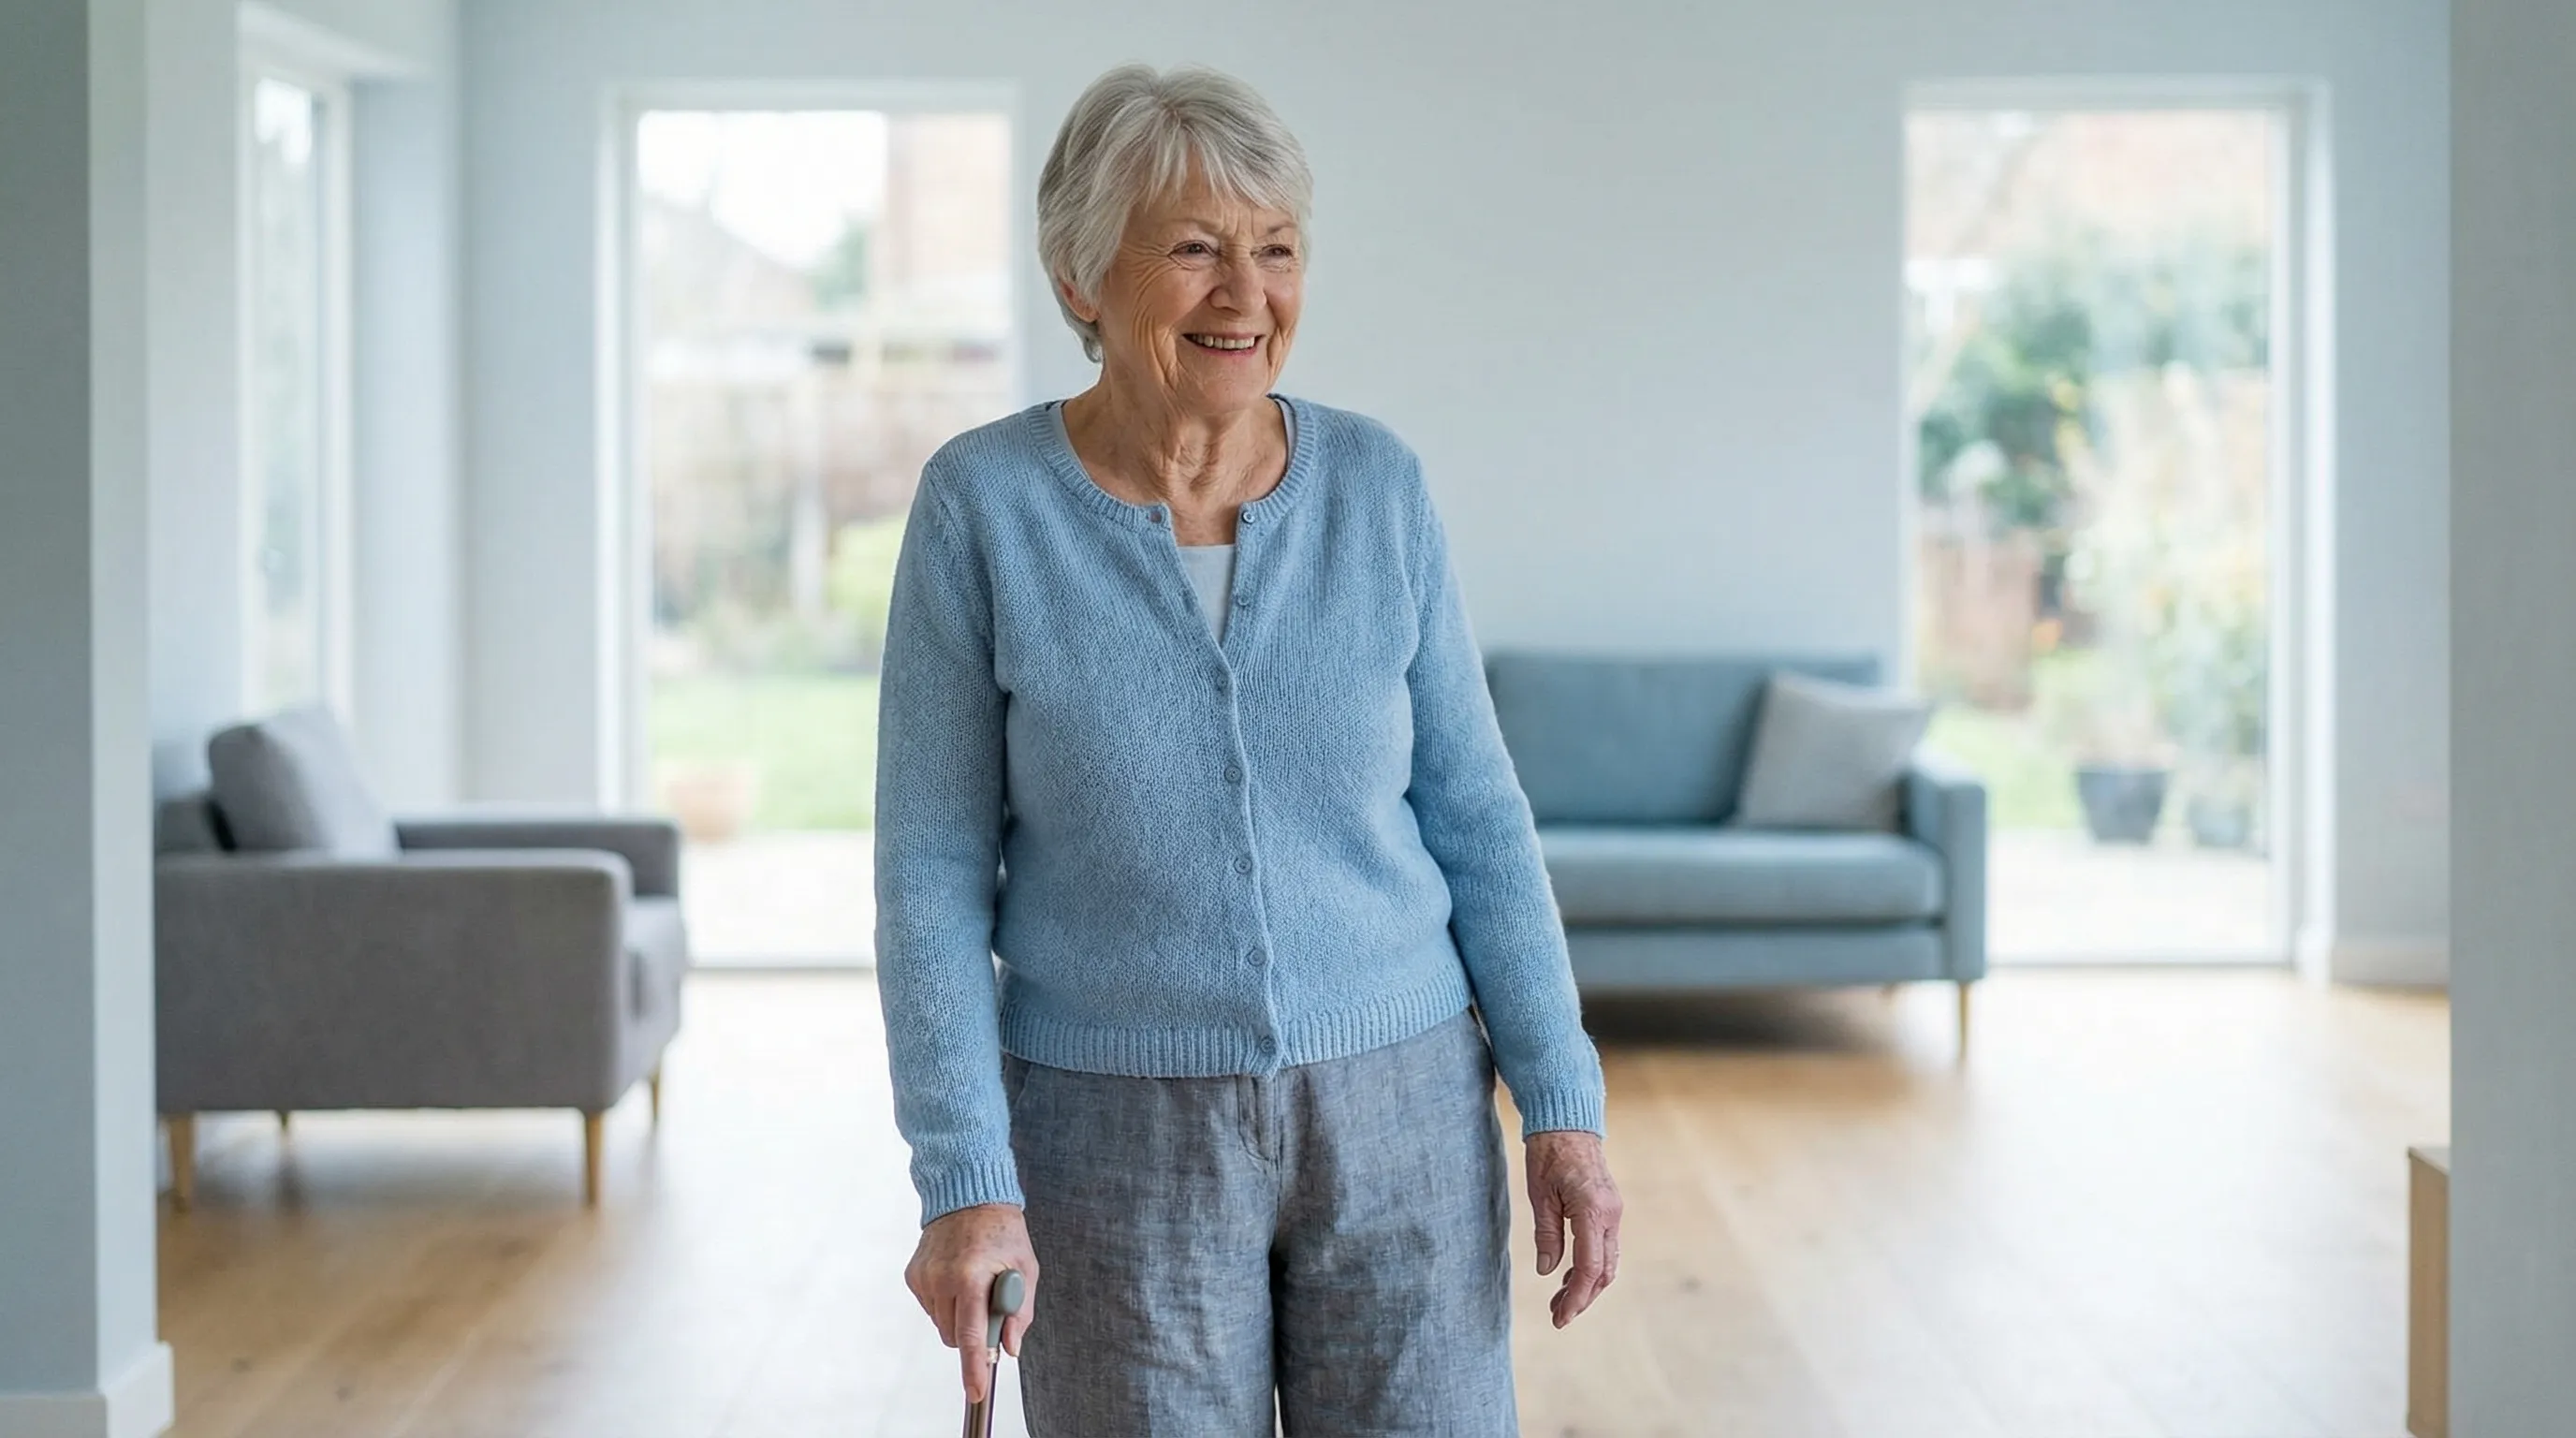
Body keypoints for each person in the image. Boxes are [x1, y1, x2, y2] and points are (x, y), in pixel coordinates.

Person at [874, 61, 1622, 1435]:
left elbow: (1477, 818)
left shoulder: (1378, 488)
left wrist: (1561, 1104)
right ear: (1079, 276)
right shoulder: (983, 509)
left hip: (1402, 1112)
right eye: (1194, 250)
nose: (1246, 294)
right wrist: (965, 1177)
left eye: (1276, 250)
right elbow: (929, 872)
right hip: (1110, 1137)